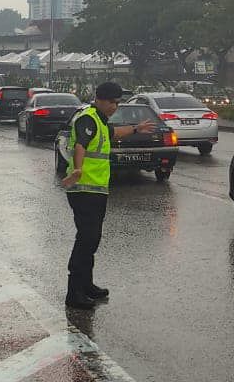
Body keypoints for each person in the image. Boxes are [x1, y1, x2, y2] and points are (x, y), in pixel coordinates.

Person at [60, 81, 155, 309]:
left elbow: (113, 133)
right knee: (86, 239)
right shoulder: (87, 118)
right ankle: (74, 292)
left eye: (117, 102)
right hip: (83, 189)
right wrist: (78, 169)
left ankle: (87, 284)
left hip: (96, 190)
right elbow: (81, 145)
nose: (115, 106)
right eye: (112, 102)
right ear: (100, 99)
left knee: (92, 239)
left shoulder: (100, 121)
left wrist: (135, 128)